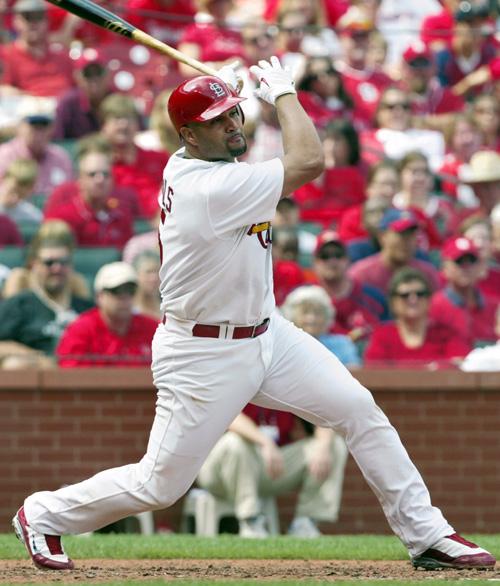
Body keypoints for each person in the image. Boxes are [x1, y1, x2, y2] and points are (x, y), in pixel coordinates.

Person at [12, 57, 496, 572]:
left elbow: (239, 138)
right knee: (160, 484)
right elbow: (310, 161)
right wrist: (285, 93)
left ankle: (427, 535)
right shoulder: (209, 187)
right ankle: (43, 514)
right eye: (218, 121)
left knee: (359, 409)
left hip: (267, 333)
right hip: (202, 352)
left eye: (232, 114)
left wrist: (235, 94)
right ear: (189, 137)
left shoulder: (208, 159)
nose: (232, 125)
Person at [197, 285, 353, 539]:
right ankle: (249, 521)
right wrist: (263, 443)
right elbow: (227, 417)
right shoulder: (229, 361)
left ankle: (306, 522)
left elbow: (323, 413)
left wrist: (323, 445)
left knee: (333, 444)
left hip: (270, 466)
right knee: (236, 443)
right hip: (221, 469)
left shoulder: (288, 370)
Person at [0, 223, 93, 369]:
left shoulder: (86, 307)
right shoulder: (19, 305)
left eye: (63, 262)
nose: (57, 268)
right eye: (49, 263)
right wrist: (39, 359)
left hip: (83, 376)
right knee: (15, 365)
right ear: (34, 264)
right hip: (37, 380)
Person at [365, 267, 471, 368]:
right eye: (405, 295)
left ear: (429, 299)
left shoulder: (447, 334)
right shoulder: (382, 336)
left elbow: (460, 366)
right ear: (393, 302)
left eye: (420, 294)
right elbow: (374, 371)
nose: (413, 299)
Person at [57, 262, 158, 367]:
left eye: (130, 290)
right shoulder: (80, 330)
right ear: (99, 296)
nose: (124, 297)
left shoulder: (153, 329)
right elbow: (69, 375)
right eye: (116, 291)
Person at [44, 136, 135, 249]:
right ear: (80, 179)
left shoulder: (122, 215)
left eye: (106, 174)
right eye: (92, 174)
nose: (100, 180)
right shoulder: (62, 217)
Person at [307, 230, 387, 341]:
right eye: (325, 256)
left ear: (348, 259)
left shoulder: (372, 297)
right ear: (314, 263)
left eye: (338, 255)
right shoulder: (304, 298)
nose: (332, 261)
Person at [348, 207, 441, 295]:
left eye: (411, 234)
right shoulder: (362, 275)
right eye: (401, 234)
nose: (407, 241)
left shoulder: (427, 273)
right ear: (382, 237)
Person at [429, 236, 498, 347]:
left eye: (471, 261)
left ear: (479, 266)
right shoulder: (433, 307)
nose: (466, 267)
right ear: (445, 268)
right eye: (459, 261)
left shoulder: (493, 307)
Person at [0, 98, 74, 199]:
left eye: (44, 125)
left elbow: (69, 195)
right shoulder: (5, 155)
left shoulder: (60, 157)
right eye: (33, 125)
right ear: (20, 126)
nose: (39, 132)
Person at [0, 0, 74, 98]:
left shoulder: (62, 55)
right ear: (16, 21)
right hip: (26, 108)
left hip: (64, 109)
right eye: (28, 18)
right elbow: (3, 89)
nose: (33, 24)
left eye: (38, 17)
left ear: (47, 20)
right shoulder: (6, 55)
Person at [52, 50, 112, 141]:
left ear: (108, 74)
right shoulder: (68, 103)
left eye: (99, 72)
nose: (94, 78)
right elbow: (58, 141)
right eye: (87, 73)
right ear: (77, 77)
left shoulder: (118, 100)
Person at [0, 158, 43, 226]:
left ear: (31, 188)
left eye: (20, 195)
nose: (15, 198)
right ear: (4, 178)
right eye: (13, 191)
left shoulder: (34, 216)